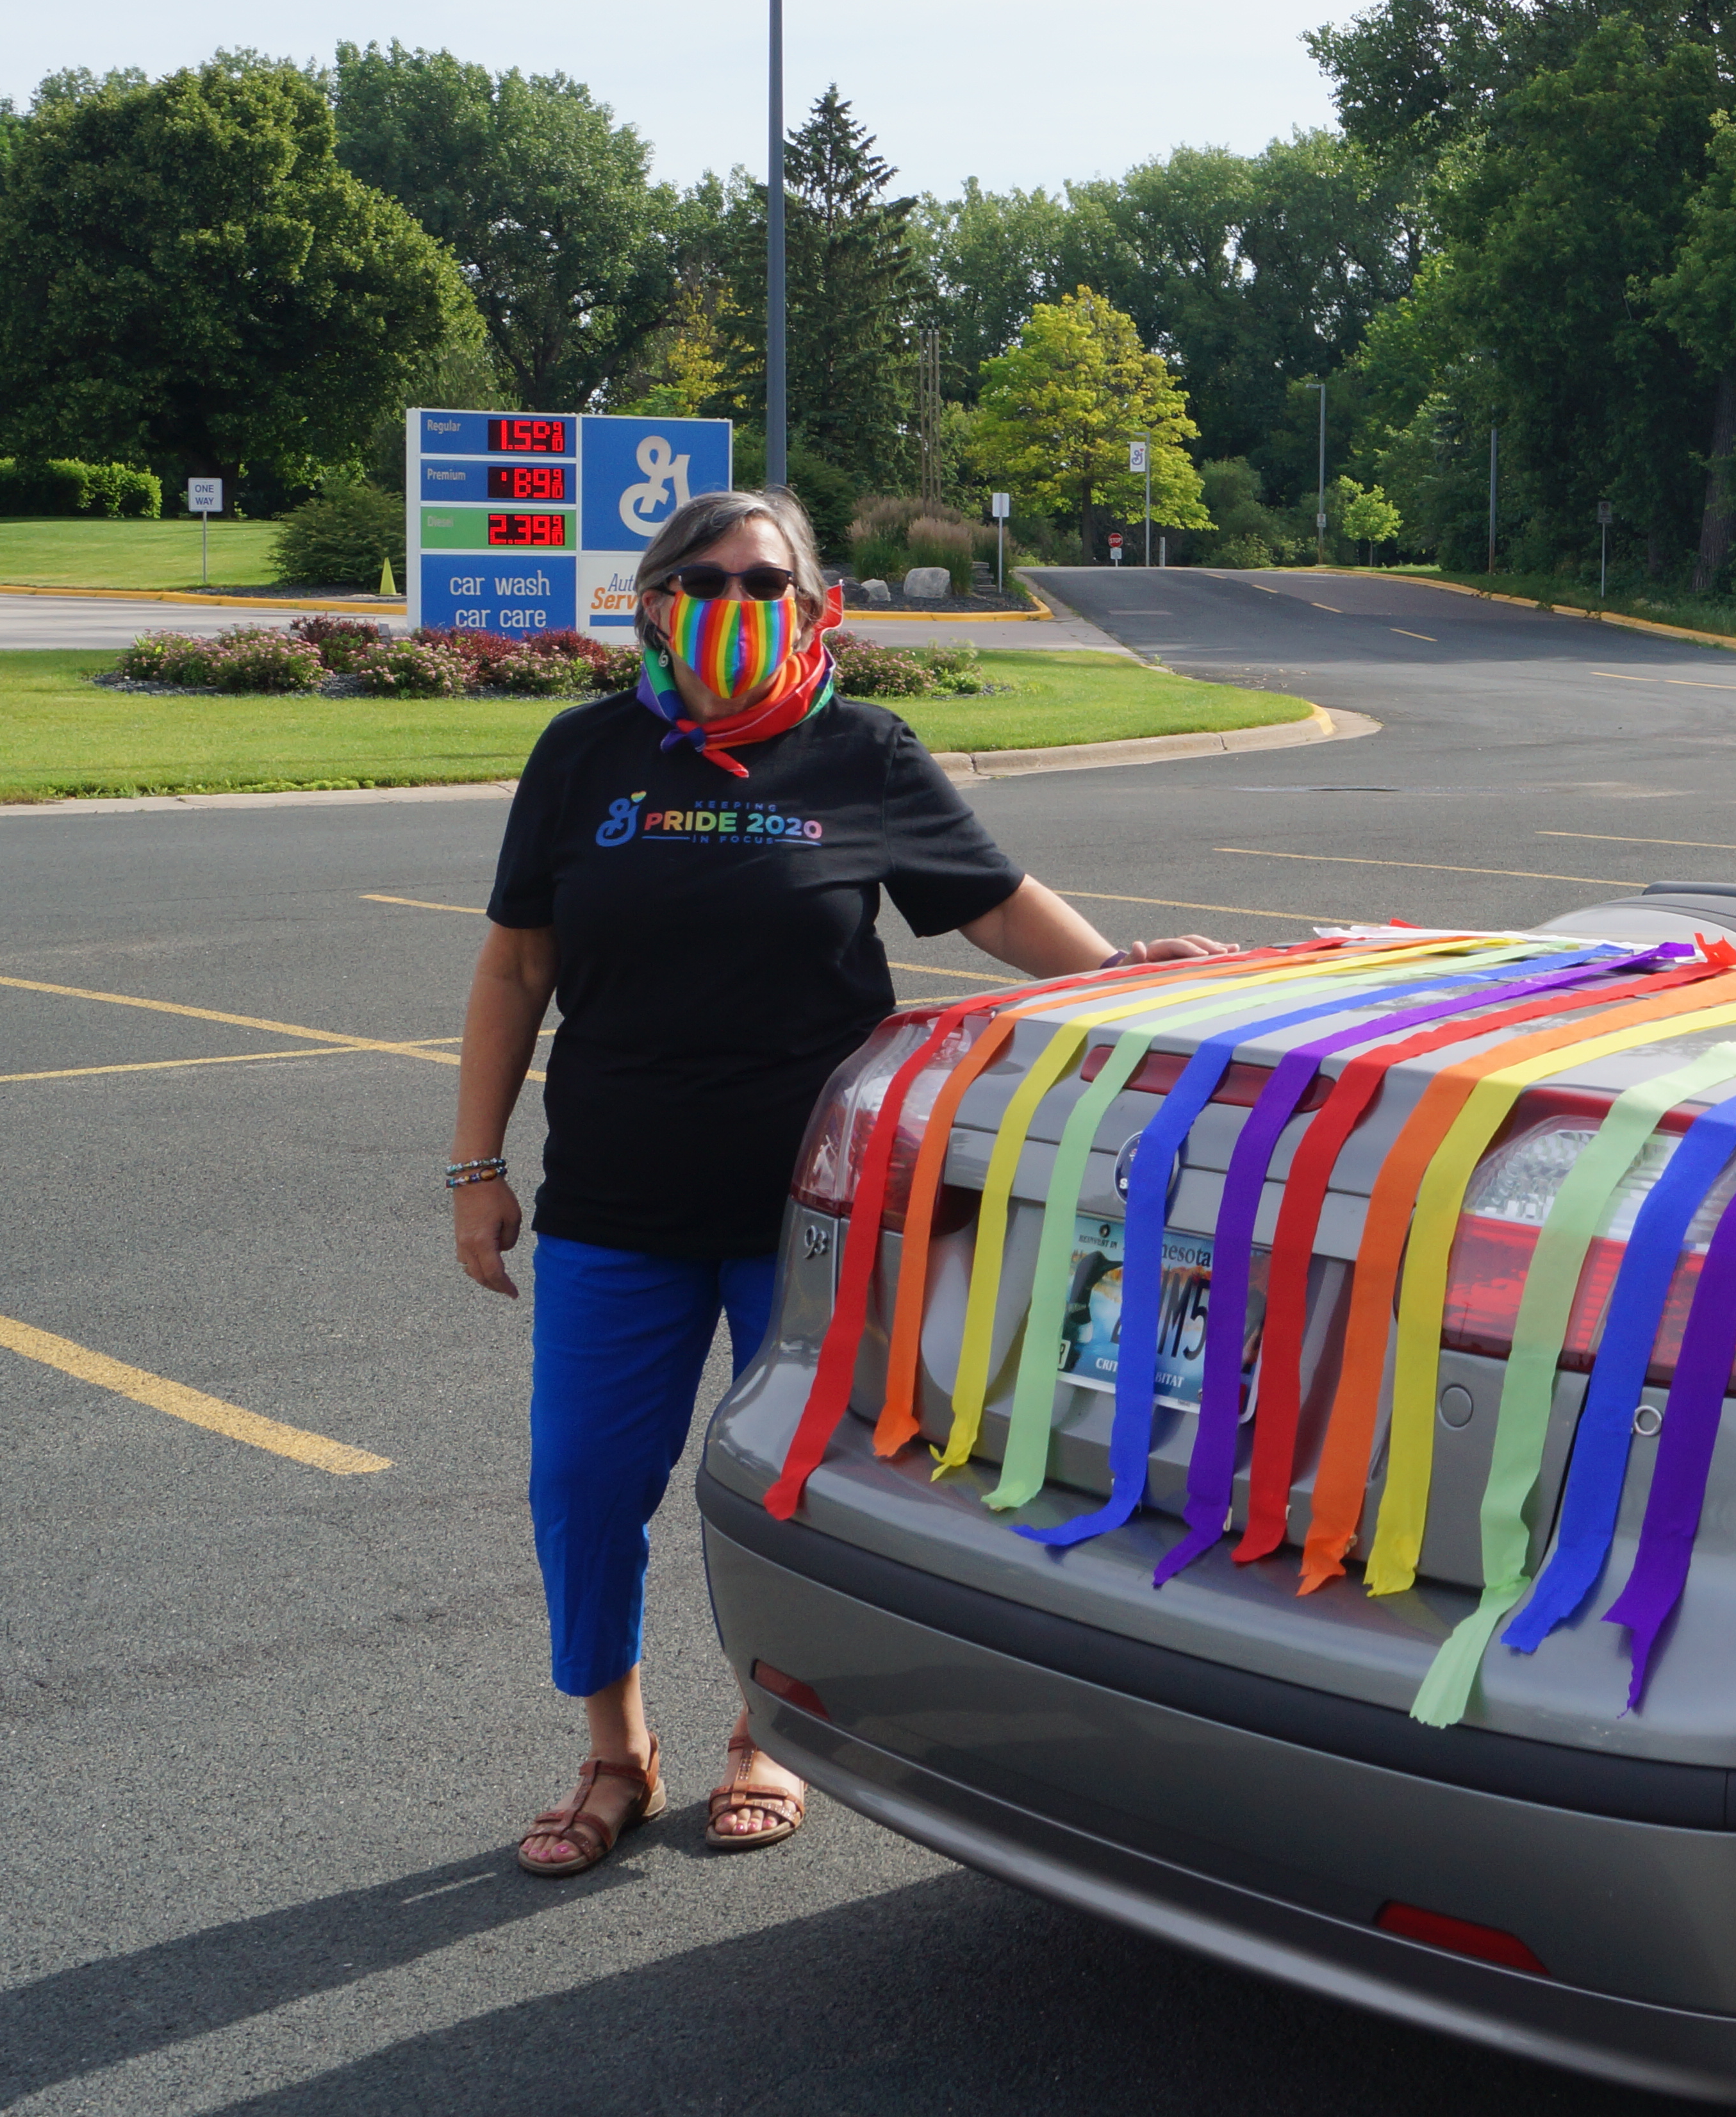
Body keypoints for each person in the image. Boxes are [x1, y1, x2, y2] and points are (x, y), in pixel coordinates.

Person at [447, 487, 1221, 1877]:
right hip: (618, 1204)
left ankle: (763, 1730)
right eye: (703, 576)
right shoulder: (585, 752)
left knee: (791, 1485)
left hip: (817, 1214)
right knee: (582, 1482)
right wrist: (474, 1165)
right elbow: (516, 966)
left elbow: (987, 898)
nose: (735, 601)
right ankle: (614, 1751)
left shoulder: (859, 750)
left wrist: (1116, 979)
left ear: (817, 605)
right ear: (650, 595)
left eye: (766, 580)